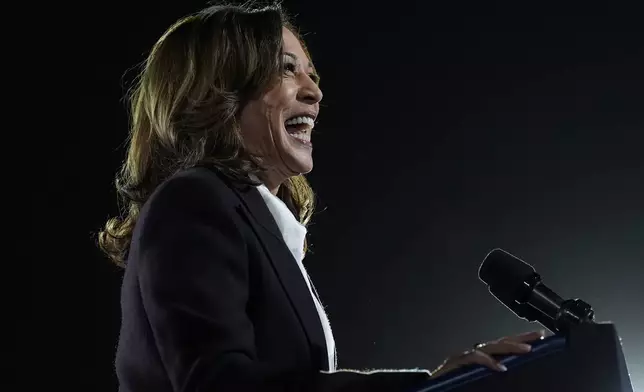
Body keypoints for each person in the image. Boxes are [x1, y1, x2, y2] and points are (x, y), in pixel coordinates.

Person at [98, 3, 544, 391]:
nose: (314, 91)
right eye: (286, 69)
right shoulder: (193, 201)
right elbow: (221, 384)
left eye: (311, 73)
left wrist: (437, 384)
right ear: (218, 90)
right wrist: (421, 387)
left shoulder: (251, 219)